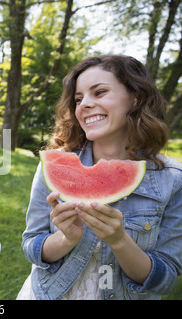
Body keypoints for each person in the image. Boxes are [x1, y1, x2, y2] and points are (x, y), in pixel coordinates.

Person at [18, 55, 182, 300]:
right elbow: (31, 246)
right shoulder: (53, 166)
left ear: (135, 98)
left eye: (100, 92)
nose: (84, 104)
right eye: (78, 98)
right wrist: (66, 239)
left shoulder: (173, 180)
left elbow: (165, 280)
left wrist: (120, 241)